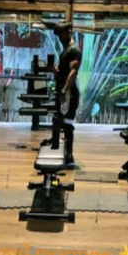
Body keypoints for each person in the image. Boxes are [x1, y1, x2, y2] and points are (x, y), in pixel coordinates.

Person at [50, 23, 82, 167]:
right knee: (59, 121)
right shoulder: (66, 50)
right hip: (64, 91)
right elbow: (63, 73)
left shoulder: (74, 50)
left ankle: (69, 156)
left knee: (67, 124)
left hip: (69, 93)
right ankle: (61, 152)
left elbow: (73, 72)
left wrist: (64, 90)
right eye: (58, 35)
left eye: (61, 34)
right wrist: (54, 70)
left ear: (69, 32)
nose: (59, 38)